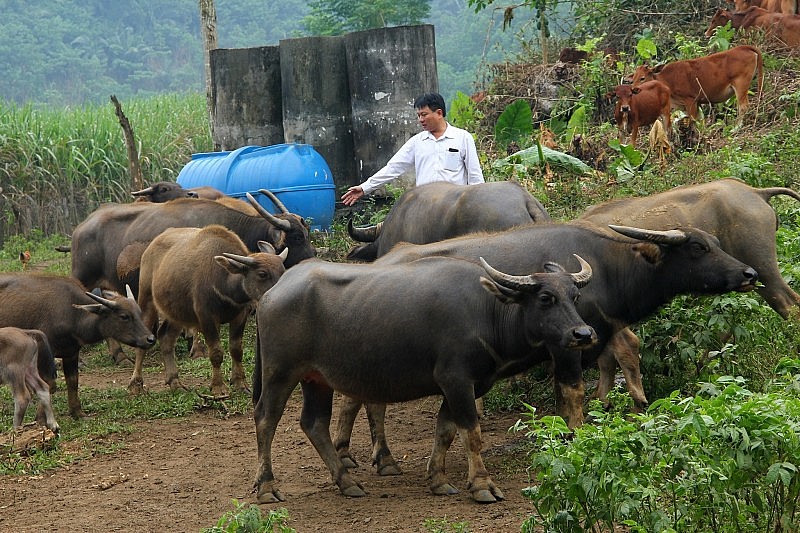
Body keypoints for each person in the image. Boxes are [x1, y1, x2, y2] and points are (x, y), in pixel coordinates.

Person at [341, 92, 484, 206]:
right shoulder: (417, 142)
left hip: (454, 206)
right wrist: (365, 188)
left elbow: (475, 176)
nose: (420, 120)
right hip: (425, 205)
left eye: (424, 115)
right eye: (418, 115)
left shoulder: (462, 138)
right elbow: (393, 168)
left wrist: (479, 205)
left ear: (439, 113)